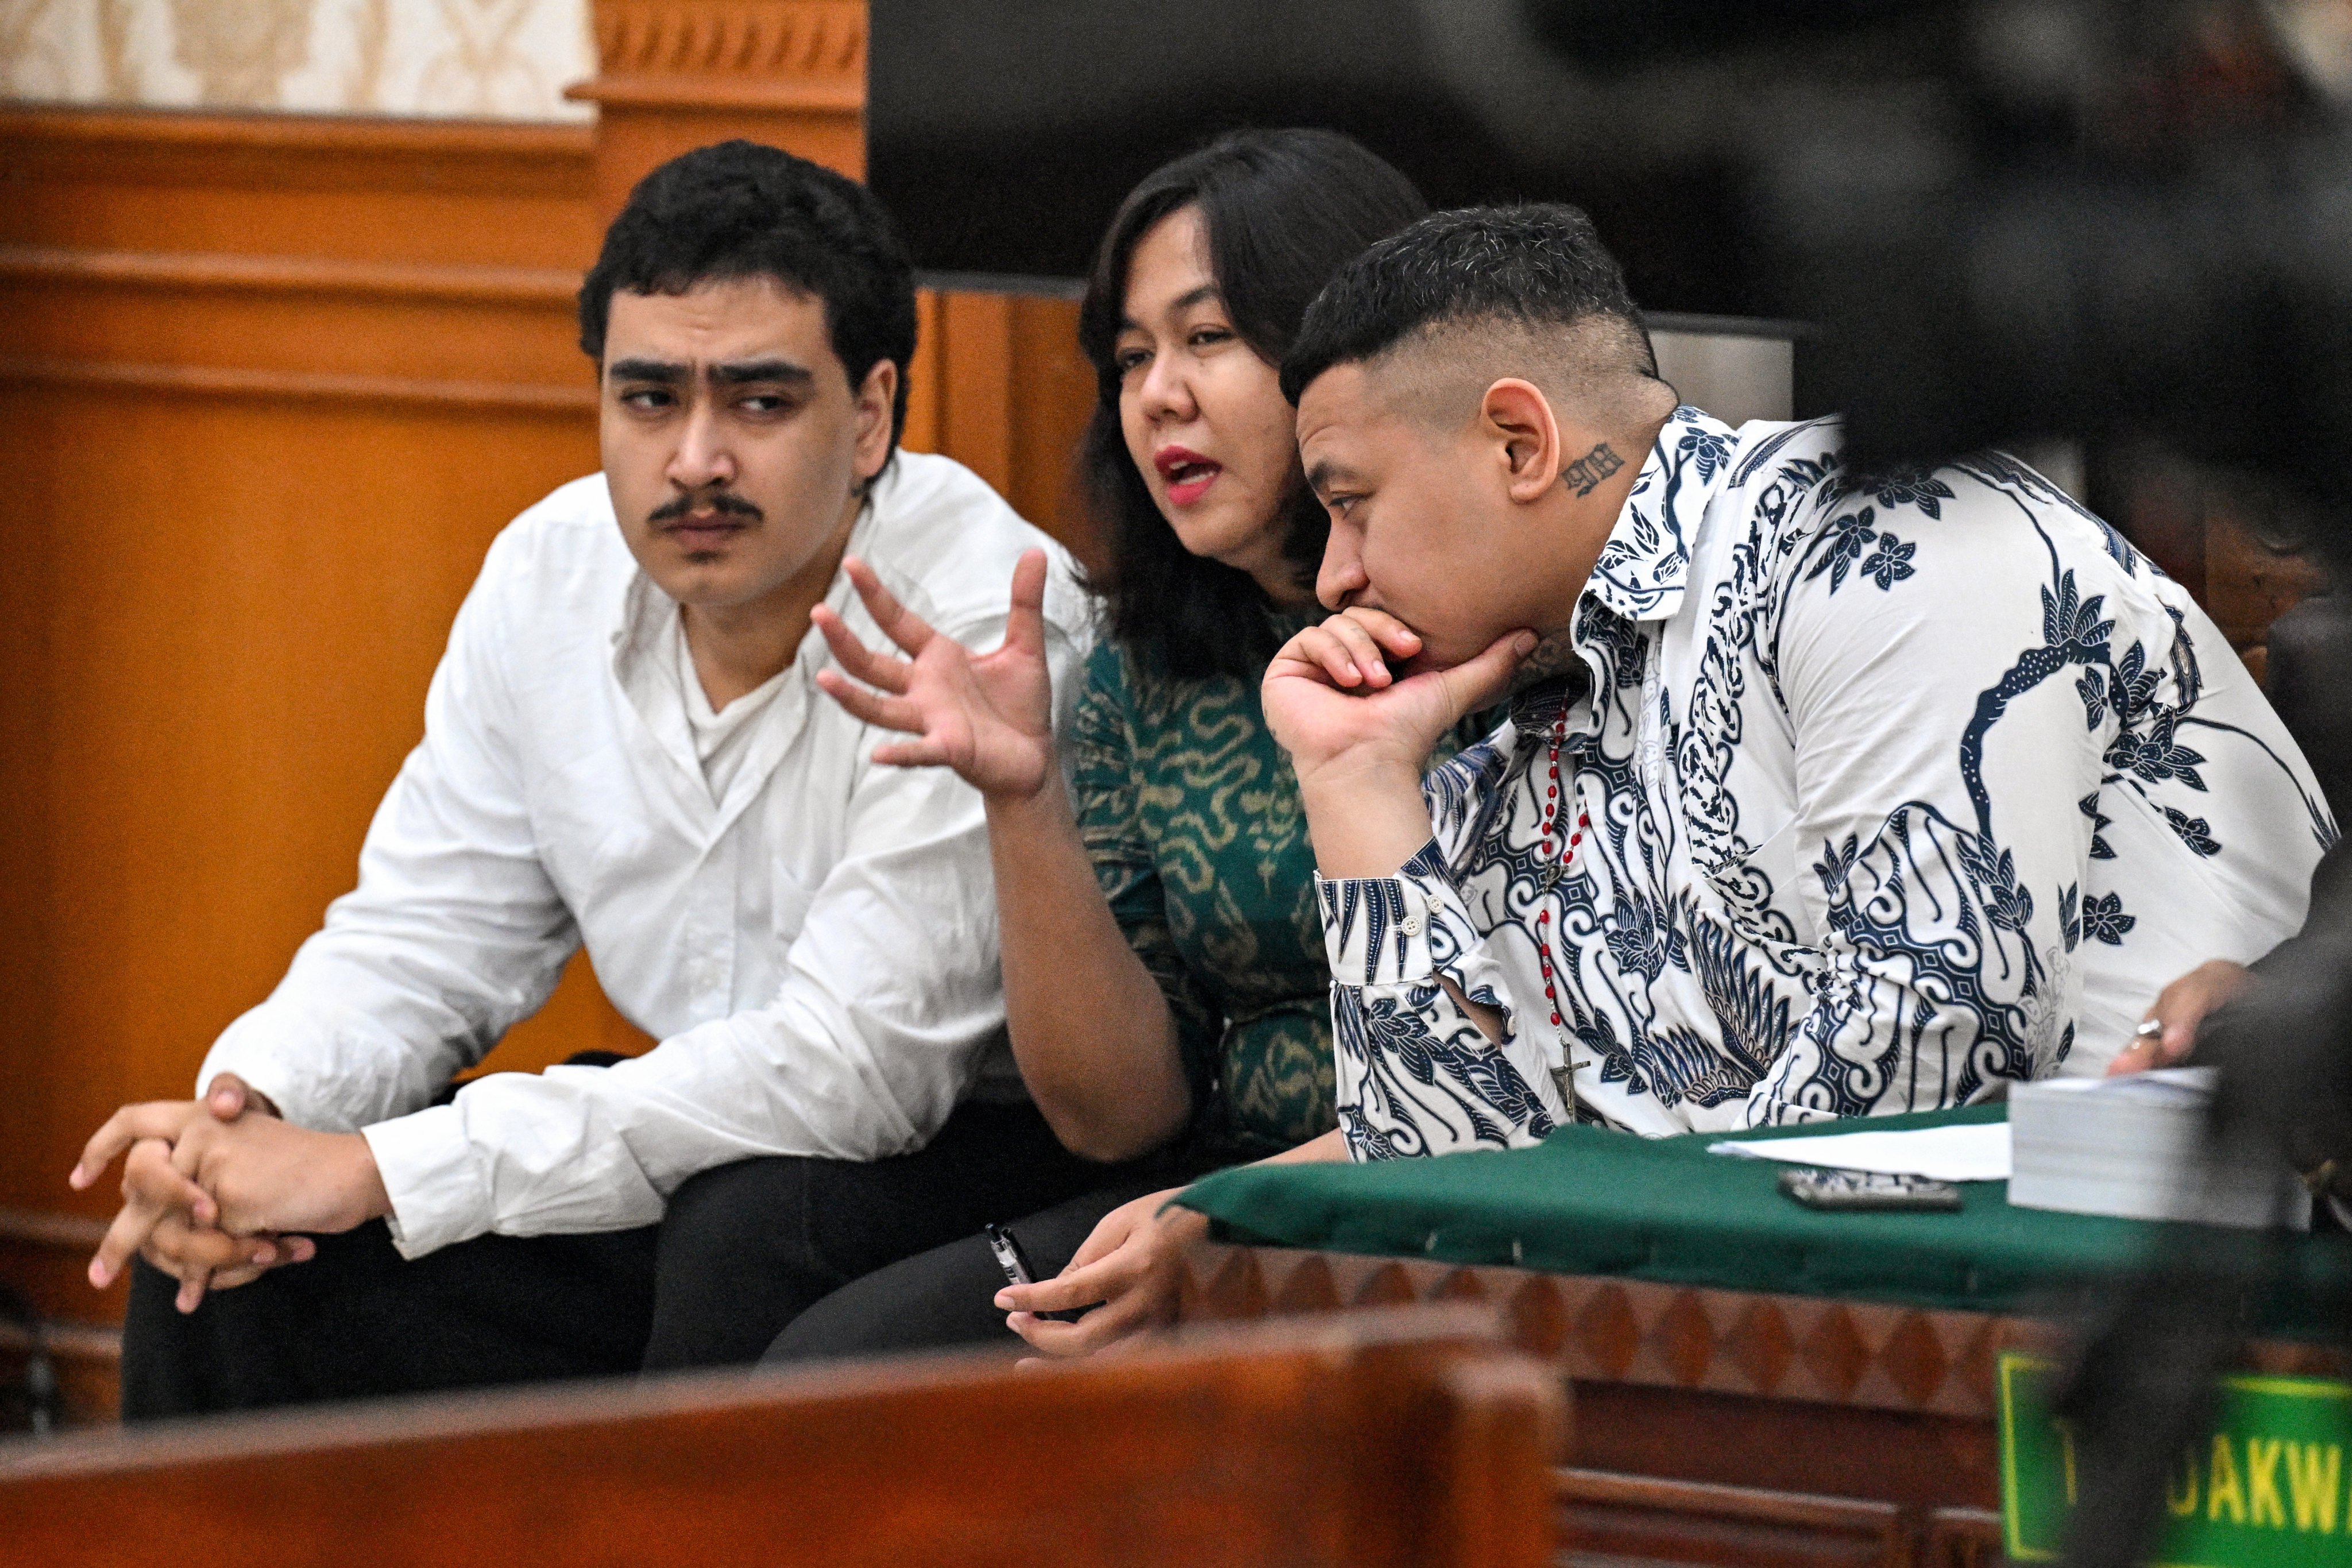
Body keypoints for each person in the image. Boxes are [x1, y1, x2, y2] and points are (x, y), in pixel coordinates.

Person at [68, 141, 1105, 1416]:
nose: (695, 461)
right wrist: (243, 1115)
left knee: (747, 1225)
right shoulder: (546, 573)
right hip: (700, 1131)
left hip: (972, 1153)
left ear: (874, 411)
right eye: (650, 399)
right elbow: (425, 937)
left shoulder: (977, 618)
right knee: (239, 1264)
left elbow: (856, 1072)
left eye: (760, 402)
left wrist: (383, 1168)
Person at [1254, 202, 2331, 1160]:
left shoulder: (1874, 532)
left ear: (1520, 443)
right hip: (1847, 1327)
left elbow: (1936, 1043)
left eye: (1351, 503)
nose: (1337, 579)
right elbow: (1450, 1200)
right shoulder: (1501, 766)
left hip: (2216, 1282)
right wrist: (1354, 778)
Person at [765, 130, 1436, 1364]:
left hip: (1438, 1201)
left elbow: (1543, 1058)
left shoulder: (1493, 630)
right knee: (812, 1342)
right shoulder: (1143, 661)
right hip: (1197, 1193)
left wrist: (1232, 1217)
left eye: (1208, 337)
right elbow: (1117, 1118)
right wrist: (1020, 799)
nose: (1157, 395)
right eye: (1129, 357)